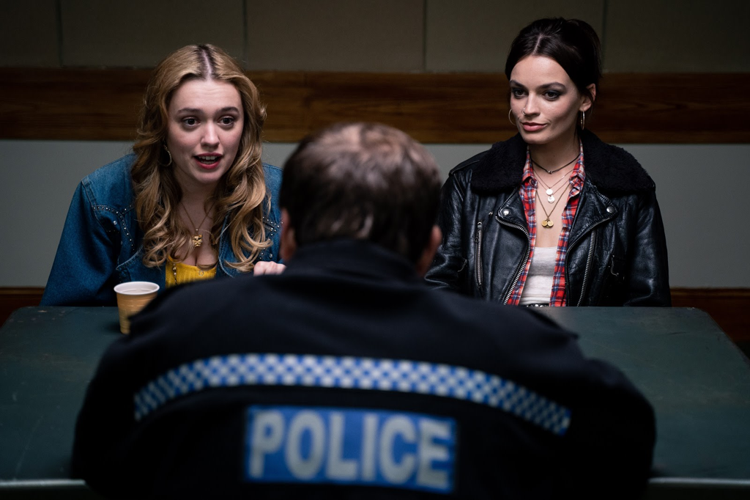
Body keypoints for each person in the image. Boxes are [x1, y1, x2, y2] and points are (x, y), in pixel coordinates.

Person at [72, 122, 655, 499]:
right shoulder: (520, 353)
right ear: (429, 248)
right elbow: (625, 447)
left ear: (288, 234)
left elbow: (99, 454)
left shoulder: (178, 333)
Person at [425, 18, 670, 307]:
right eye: (519, 92)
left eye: (550, 94)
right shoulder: (468, 184)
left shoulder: (628, 190)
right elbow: (434, 289)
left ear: (586, 97)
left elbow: (648, 308)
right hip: (490, 335)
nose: (528, 109)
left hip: (586, 338)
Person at [40, 44, 282, 306]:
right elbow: (64, 319)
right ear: (161, 127)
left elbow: (310, 314)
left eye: (226, 120)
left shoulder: (283, 196)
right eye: (190, 121)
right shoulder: (104, 196)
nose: (211, 139)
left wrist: (293, 294)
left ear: (245, 126)